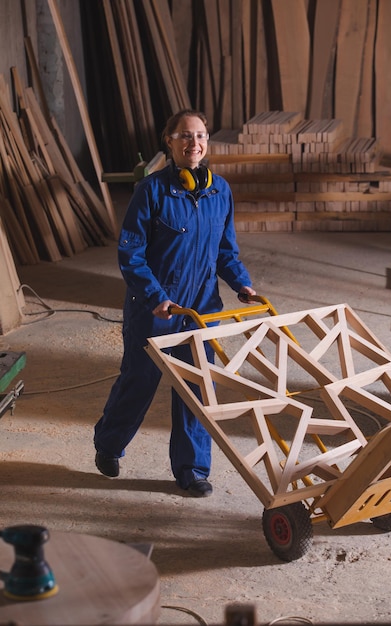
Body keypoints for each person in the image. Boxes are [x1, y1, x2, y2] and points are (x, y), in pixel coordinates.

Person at [94, 109, 256, 497]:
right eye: (185, 135)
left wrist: (243, 285)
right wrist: (154, 297)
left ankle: (192, 470)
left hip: (200, 309)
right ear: (169, 142)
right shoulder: (150, 191)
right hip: (156, 309)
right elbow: (130, 254)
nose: (194, 143)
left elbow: (226, 252)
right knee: (139, 381)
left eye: (200, 135)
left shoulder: (221, 192)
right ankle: (109, 444)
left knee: (196, 388)